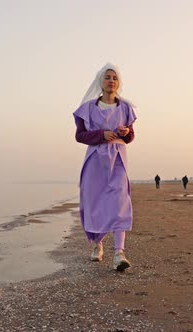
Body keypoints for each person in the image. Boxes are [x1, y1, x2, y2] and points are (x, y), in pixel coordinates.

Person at [73, 63, 137, 272]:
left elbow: (130, 137)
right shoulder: (88, 108)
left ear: (119, 83)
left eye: (115, 78)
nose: (111, 81)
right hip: (95, 159)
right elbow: (79, 136)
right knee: (95, 202)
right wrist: (101, 135)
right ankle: (97, 245)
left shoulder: (125, 108)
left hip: (117, 158)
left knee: (120, 201)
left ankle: (119, 252)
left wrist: (125, 132)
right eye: (107, 77)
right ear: (100, 82)